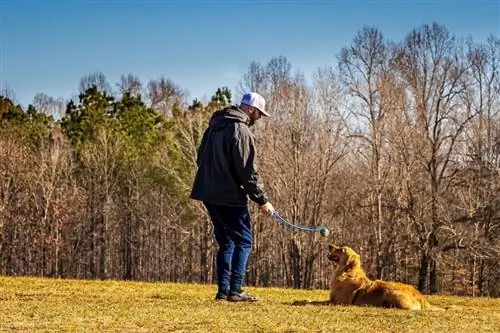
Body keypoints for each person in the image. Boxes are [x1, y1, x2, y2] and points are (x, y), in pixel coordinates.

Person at [190, 92, 275, 302]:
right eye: (260, 114)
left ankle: (223, 291)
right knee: (244, 241)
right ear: (251, 110)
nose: (259, 118)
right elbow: (248, 171)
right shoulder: (241, 130)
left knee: (226, 242)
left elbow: (200, 158)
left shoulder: (214, 126)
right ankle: (236, 290)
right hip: (229, 196)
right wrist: (262, 200)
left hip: (208, 193)